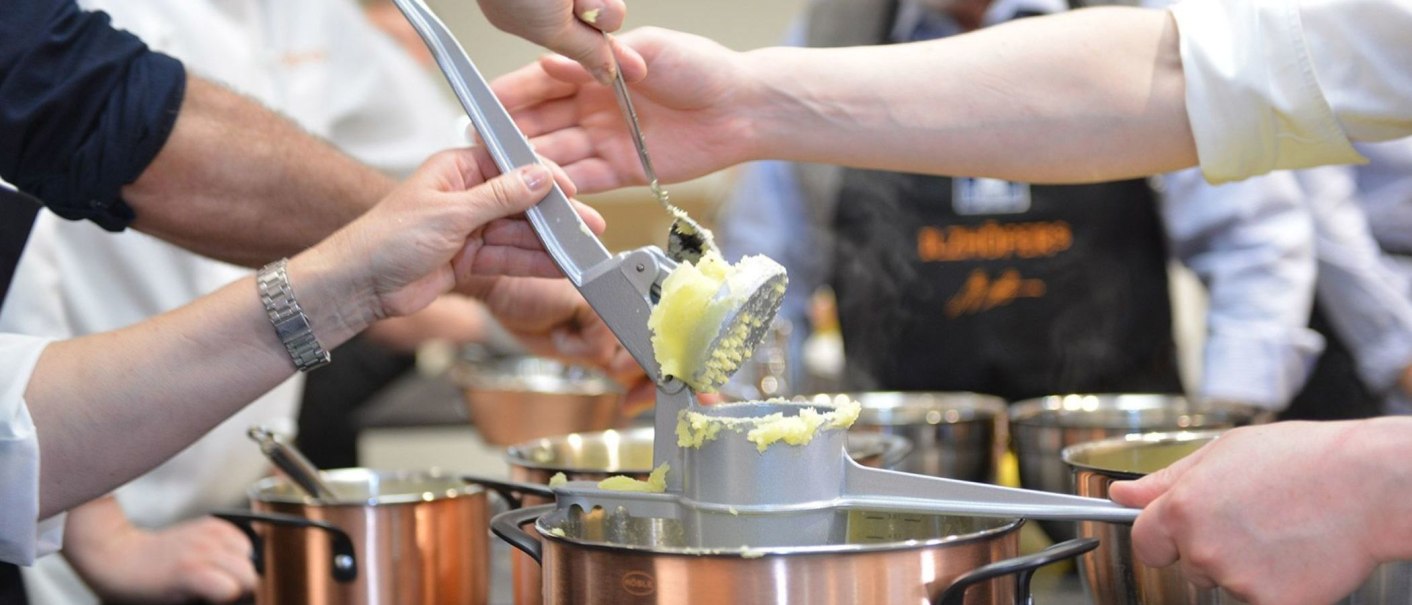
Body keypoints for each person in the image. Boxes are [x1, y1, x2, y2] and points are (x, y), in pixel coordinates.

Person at [487, 3, 1412, 600]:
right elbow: (1195, 77)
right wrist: (749, 108)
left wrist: (1360, 469)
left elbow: (1254, 229)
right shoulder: (841, 30)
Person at [0, 0, 641, 574]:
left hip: (231, 486)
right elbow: (101, 119)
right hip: (59, 511)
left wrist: (503, 270)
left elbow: (435, 165)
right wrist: (103, 533)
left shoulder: (308, 15)